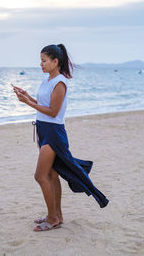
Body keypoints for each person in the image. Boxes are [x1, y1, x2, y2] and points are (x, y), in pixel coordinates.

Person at [13, 44, 109, 232]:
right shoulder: (48, 80)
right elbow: (43, 104)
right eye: (40, 60)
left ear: (55, 61)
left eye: (44, 60)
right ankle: (57, 215)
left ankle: (52, 217)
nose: (40, 64)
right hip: (43, 130)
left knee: (40, 176)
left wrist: (28, 104)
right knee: (51, 175)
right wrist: (27, 97)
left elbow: (53, 112)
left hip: (53, 133)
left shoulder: (60, 83)